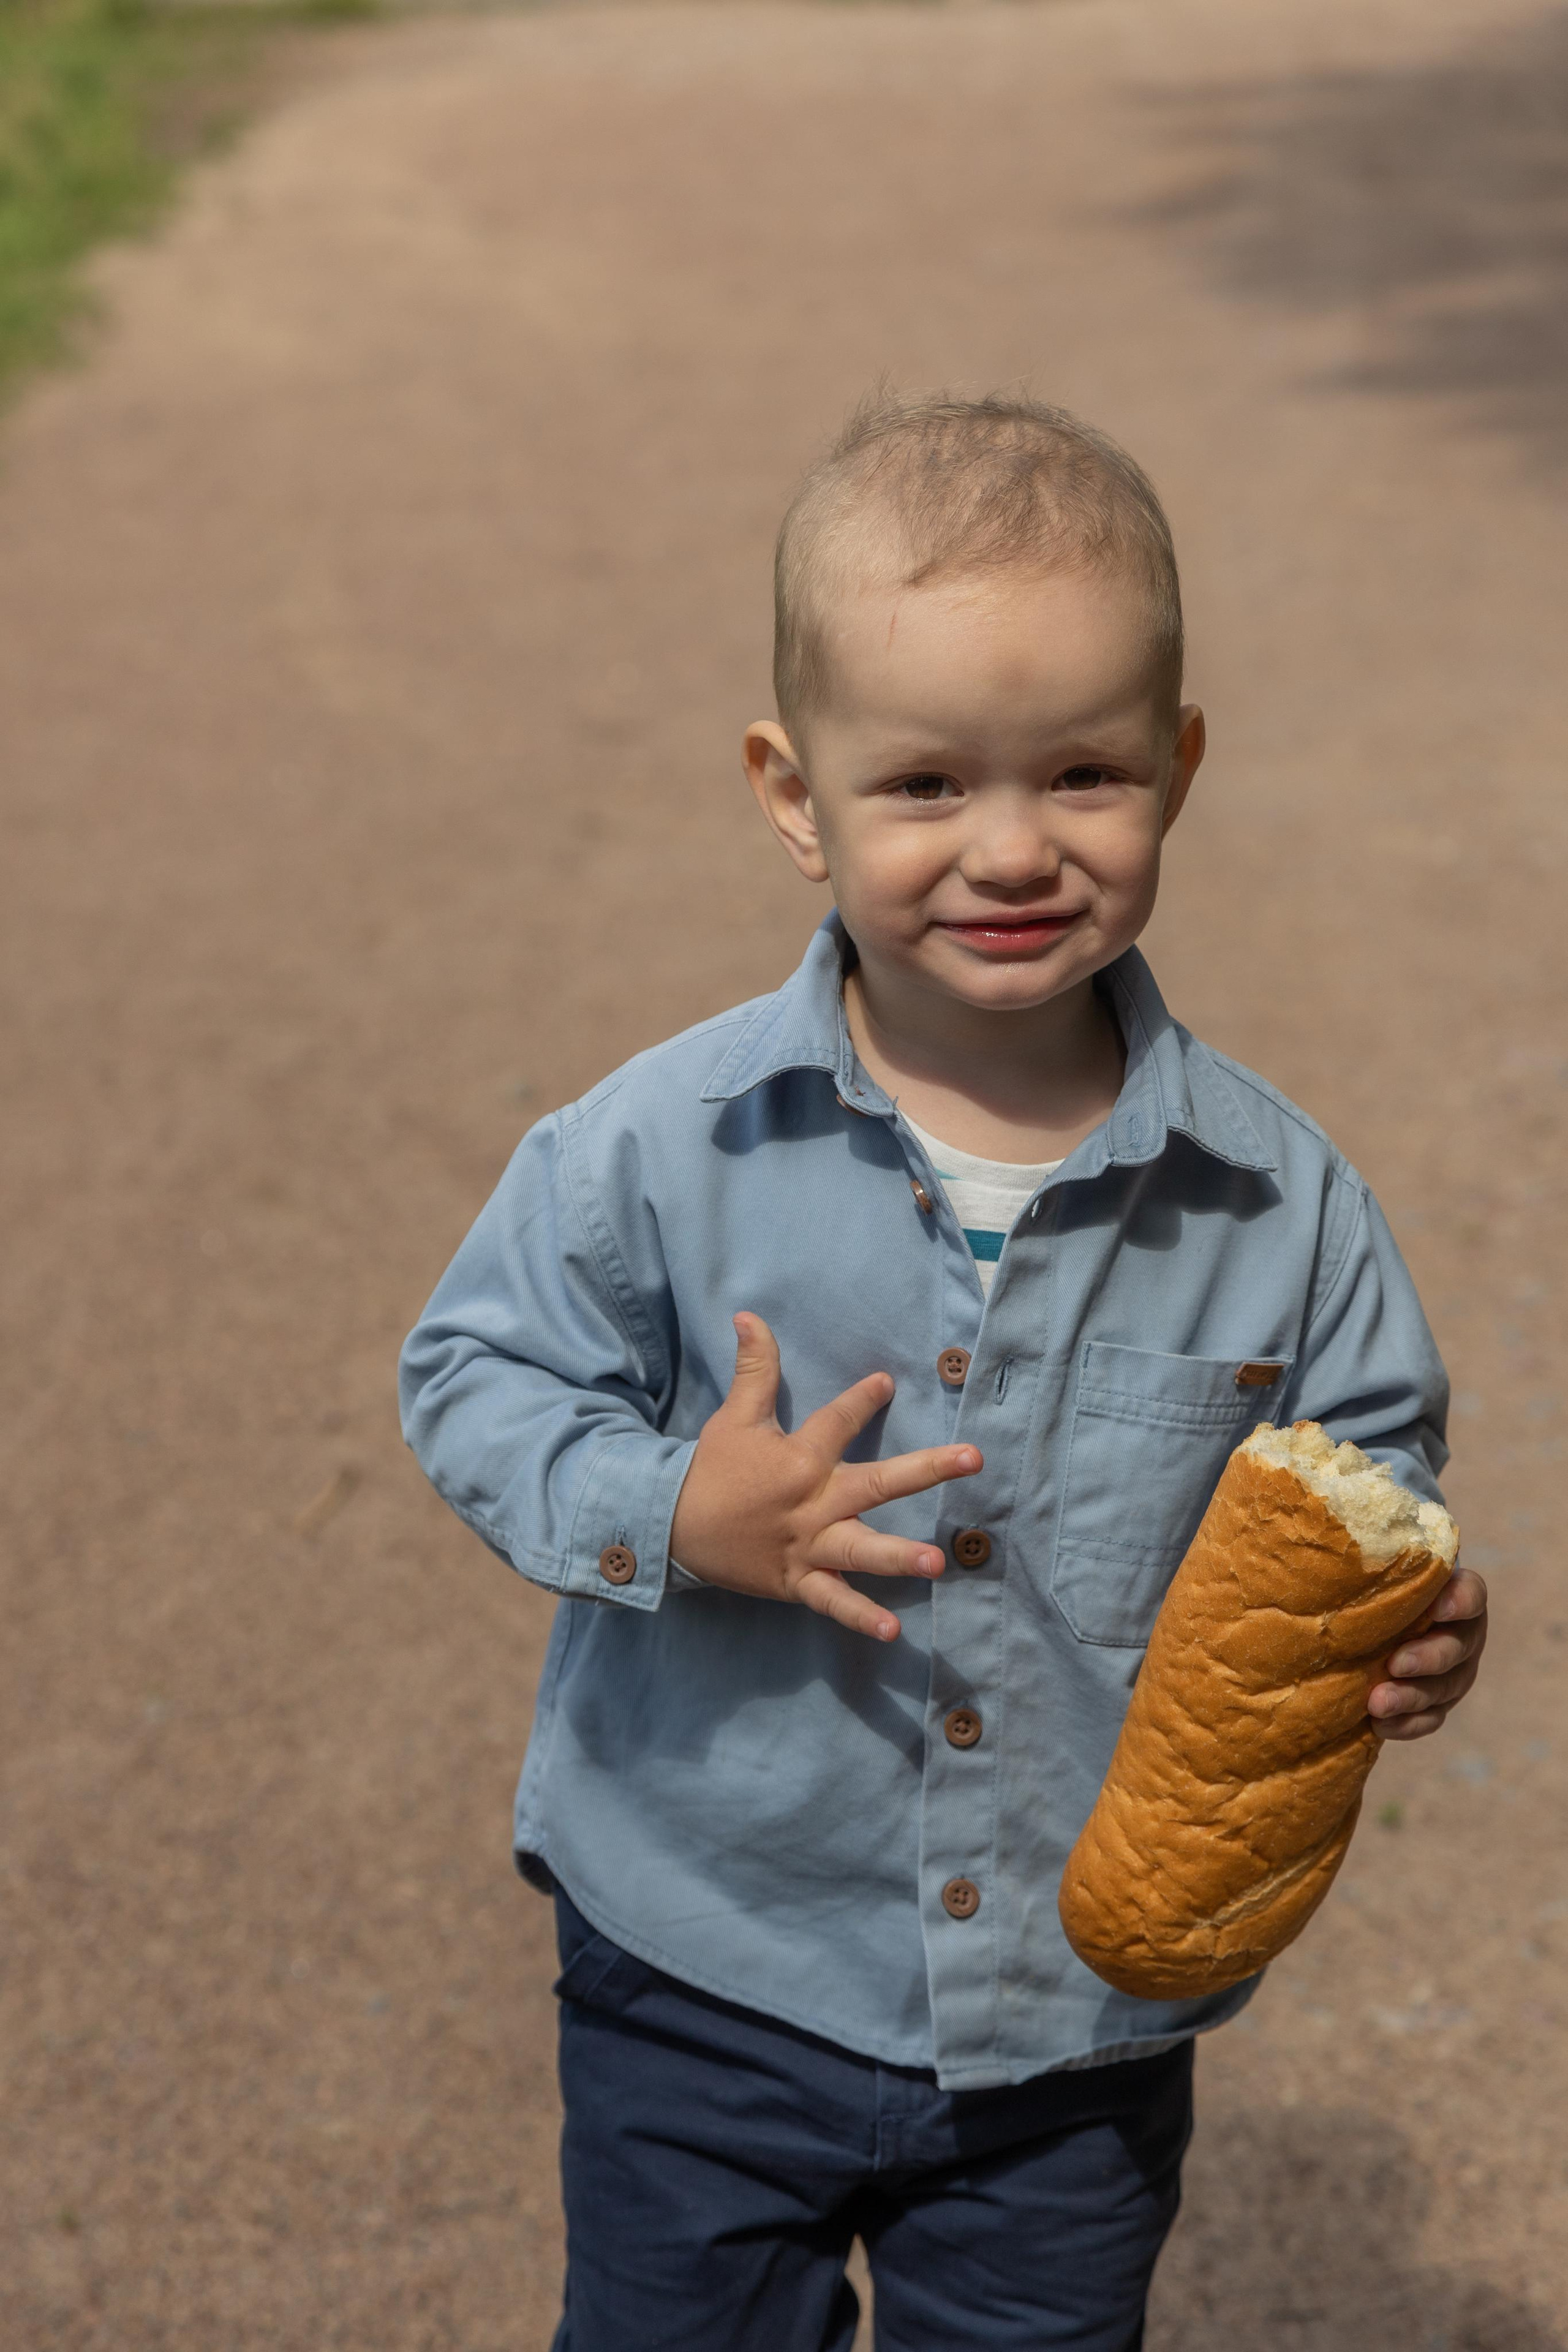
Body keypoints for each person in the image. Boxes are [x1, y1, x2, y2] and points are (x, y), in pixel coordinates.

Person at [399, 392, 1488, 2351]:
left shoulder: (1279, 1198)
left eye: (1083, 773)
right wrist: (675, 1509)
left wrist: (1407, 1631)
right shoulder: (666, 1147)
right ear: (793, 791)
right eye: (922, 785)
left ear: (1179, 764)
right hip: (707, 1966)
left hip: (1069, 2029)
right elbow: (476, 1377)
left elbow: (1366, 1477)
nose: (1010, 848)